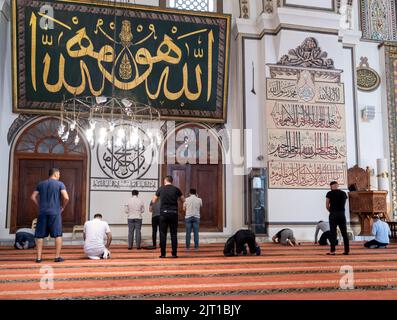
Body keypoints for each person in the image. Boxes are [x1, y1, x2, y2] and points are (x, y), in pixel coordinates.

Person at [30, 168, 69, 263]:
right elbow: (66, 197)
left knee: (40, 236)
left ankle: (39, 258)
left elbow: (33, 197)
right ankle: (57, 257)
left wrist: (39, 205)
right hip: (55, 212)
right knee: (58, 235)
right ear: (55, 174)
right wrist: (62, 207)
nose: (59, 176)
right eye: (59, 174)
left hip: (42, 212)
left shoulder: (41, 184)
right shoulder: (60, 184)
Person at [152, 175, 185, 258]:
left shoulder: (161, 189)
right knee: (174, 234)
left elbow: (154, 200)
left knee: (163, 234)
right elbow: (183, 200)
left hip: (164, 214)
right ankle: (174, 254)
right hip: (174, 213)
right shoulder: (176, 189)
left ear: (165, 181)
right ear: (172, 181)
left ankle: (163, 254)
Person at [326, 181, 349, 255]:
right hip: (342, 214)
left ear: (331, 186)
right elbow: (344, 204)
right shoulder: (343, 193)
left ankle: (332, 251)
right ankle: (346, 251)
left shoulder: (329, 193)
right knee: (344, 233)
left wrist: (332, 212)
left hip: (333, 214)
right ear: (337, 185)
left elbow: (327, 206)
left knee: (333, 233)